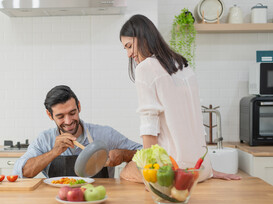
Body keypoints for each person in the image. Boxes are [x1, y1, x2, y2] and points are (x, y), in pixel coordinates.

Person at [117, 14, 241, 182]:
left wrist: (151, 175)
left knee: (125, 171)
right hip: (198, 169)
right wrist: (209, 170)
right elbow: (196, 122)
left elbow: (149, 125)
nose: (128, 54)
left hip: (172, 169)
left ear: (143, 38)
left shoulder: (145, 67)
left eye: (129, 46)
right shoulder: (182, 65)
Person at [13, 85, 142, 178]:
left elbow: (146, 152)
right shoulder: (44, 140)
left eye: (72, 113)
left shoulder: (104, 134)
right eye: (60, 116)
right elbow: (22, 171)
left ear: (79, 106)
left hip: (99, 200)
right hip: (56, 202)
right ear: (49, 115)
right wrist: (53, 152)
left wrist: (124, 155)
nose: (68, 121)